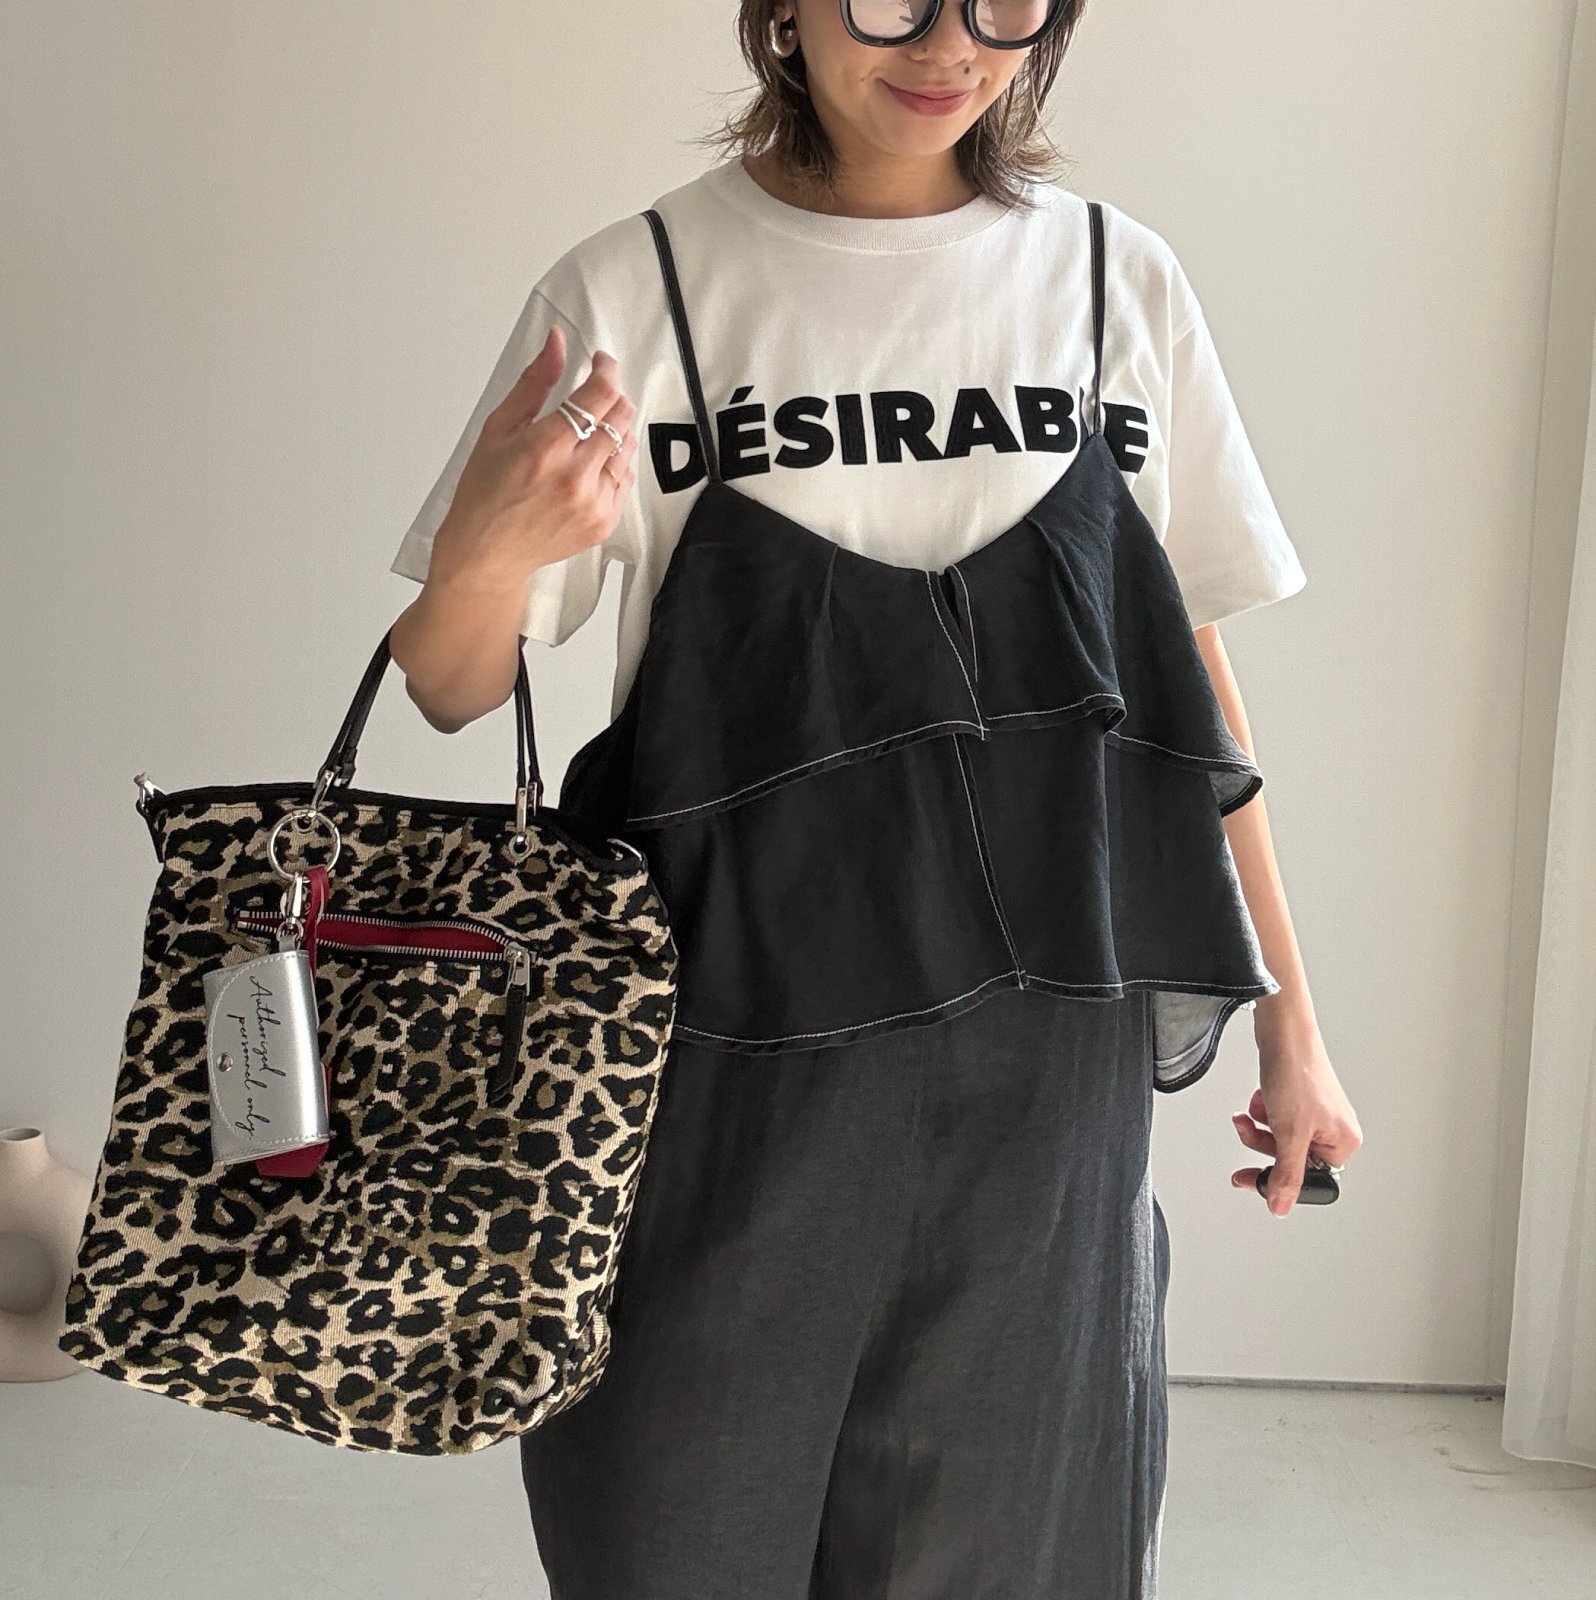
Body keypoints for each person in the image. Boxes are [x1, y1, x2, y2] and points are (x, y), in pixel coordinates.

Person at [387, 2, 1364, 1593]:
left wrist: (1291, 1023)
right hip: (714, 1060)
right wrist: (487, 549)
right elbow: (449, 684)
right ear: (781, 9)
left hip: (1051, 1076)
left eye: (1005, 2)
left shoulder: (1114, 280)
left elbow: (1180, 689)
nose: (950, 45)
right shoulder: (639, 287)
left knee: (1019, 1554)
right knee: (675, 1532)